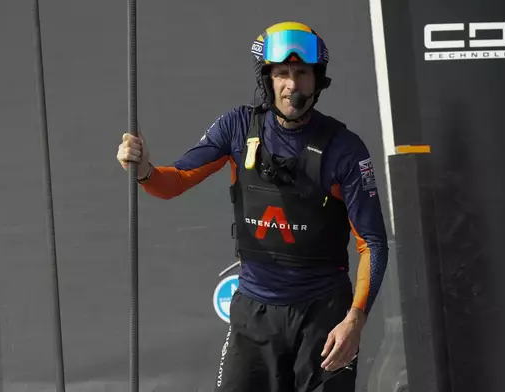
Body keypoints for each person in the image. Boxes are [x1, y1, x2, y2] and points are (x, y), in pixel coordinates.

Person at [116, 21, 389, 392]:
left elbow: (371, 243)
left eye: (302, 73)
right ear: (267, 78)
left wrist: (354, 320)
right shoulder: (237, 127)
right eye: (282, 73)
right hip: (254, 315)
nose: (292, 84)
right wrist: (144, 169)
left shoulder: (345, 149)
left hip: (324, 317)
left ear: (317, 79)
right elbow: (173, 182)